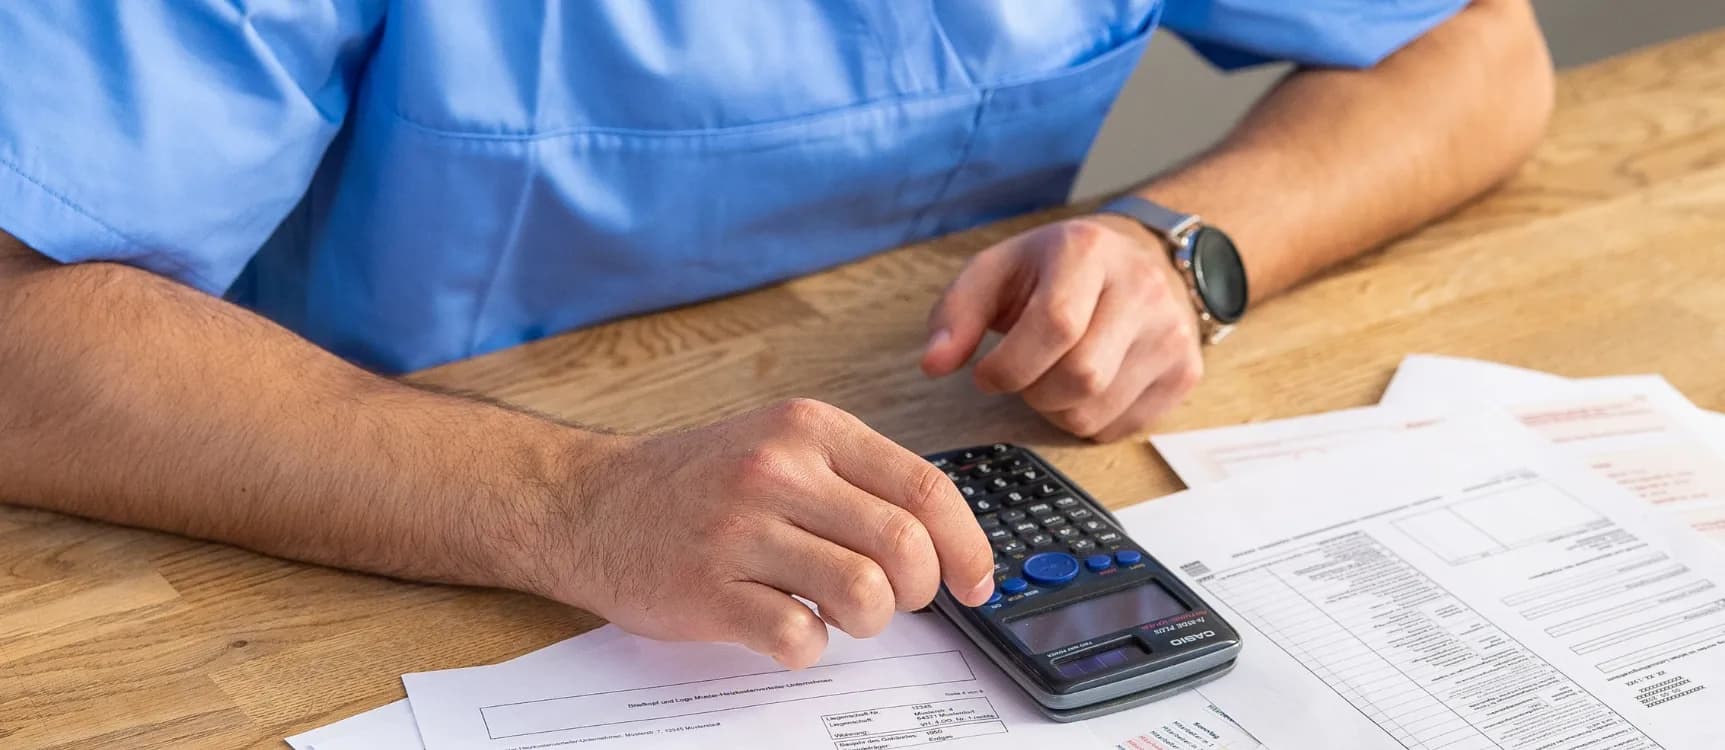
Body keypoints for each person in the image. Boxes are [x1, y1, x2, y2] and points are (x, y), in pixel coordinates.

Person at [0, 1, 1552, 668]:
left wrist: (1181, 249)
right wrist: (571, 502)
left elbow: (1483, 50)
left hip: (924, 522)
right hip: (329, 539)